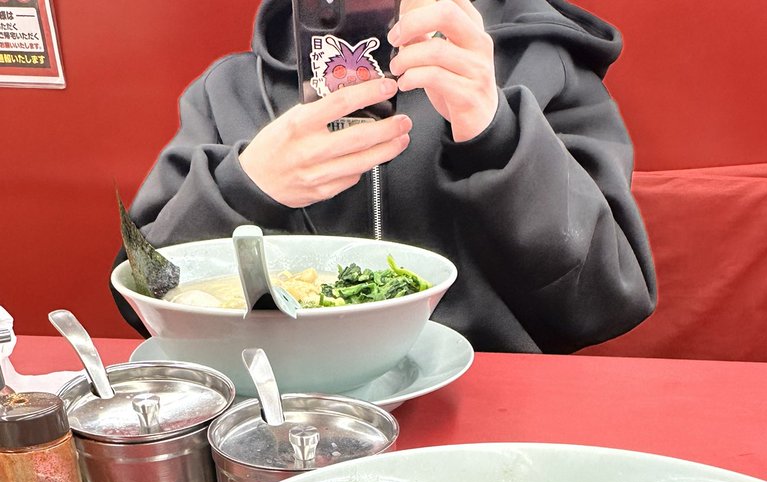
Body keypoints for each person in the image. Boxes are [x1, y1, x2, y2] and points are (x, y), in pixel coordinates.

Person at [118, 0, 656, 354]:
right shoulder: (229, 92)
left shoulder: (541, 65)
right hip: (282, 425)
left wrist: (499, 134)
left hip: (487, 424)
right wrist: (243, 187)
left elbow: (605, 303)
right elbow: (143, 294)